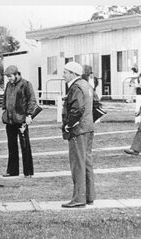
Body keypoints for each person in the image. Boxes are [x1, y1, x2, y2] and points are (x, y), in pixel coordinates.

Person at [61, 62, 95, 208]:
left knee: (78, 164)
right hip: (88, 127)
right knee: (86, 162)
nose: (63, 75)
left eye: (65, 72)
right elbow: (97, 104)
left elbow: (77, 108)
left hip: (78, 130)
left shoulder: (75, 87)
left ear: (73, 74)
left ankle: (79, 199)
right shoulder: (86, 84)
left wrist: (68, 125)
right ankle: (89, 196)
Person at [2, 65, 36, 178]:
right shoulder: (8, 85)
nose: (9, 79)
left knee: (25, 146)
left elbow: (32, 100)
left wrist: (29, 115)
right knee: (11, 146)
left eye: (10, 76)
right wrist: (4, 110)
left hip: (21, 120)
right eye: (7, 77)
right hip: (10, 120)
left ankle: (28, 172)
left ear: (17, 74)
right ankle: (12, 171)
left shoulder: (26, 84)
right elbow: (5, 98)